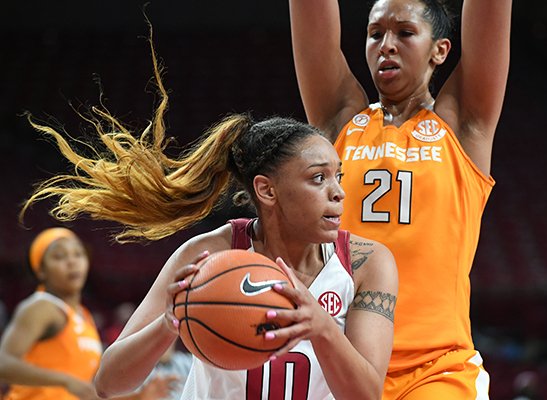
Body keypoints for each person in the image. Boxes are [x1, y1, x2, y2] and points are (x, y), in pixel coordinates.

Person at [19, 26, 399, 399]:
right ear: (267, 190)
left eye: (339, 176)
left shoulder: (366, 263)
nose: (338, 193)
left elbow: (367, 394)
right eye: (318, 179)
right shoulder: (209, 256)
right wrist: (168, 324)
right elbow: (107, 383)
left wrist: (323, 328)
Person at [288, 0, 512, 398]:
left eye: (405, 33)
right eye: (376, 34)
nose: (386, 45)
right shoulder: (339, 119)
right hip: (343, 360)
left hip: (437, 368)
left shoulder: (462, 124)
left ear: (439, 50)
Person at [0, 227, 103, 400]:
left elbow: (85, 390)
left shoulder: (84, 316)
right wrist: (65, 381)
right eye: (59, 256)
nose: (72, 262)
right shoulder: (41, 307)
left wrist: (135, 397)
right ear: (41, 271)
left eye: (78, 254)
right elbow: (2, 364)